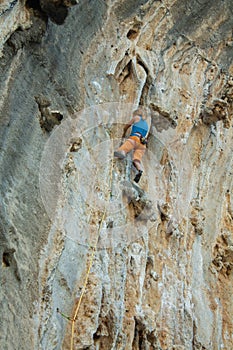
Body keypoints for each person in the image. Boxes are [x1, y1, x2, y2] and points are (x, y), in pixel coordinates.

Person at [114, 108, 149, 183]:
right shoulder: (146, 125)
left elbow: (126, 126)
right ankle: (140, 170)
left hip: (134, 138)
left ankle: (122, 154)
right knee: (136, 160)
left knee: (123, 149)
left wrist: (123, 133)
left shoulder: (136, 118)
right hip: (142, 144)